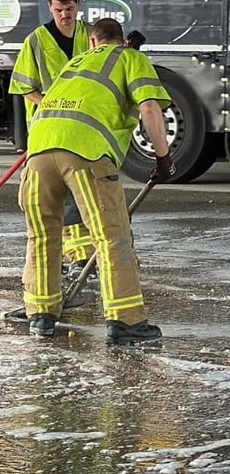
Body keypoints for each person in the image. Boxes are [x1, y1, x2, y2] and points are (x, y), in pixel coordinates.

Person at [18, 17, 175, 343]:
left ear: (91, 42)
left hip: (37, 152)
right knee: (111, 236)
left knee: (43, 237)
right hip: (85, 154)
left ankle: (41, 316)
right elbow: (149, 107)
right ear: (122, 42)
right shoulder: (131, 58)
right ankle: (126, 322)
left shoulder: (74, 64)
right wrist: (163, 158)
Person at [9, 0, 95, 283]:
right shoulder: (36, 41)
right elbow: (22, 86)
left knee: (80, 193)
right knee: (49, 195)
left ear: (78, 5)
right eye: (59, 9)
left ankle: (81, 258)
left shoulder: (90, 37)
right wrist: (50, 104)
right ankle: (55, 258)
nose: (64, 15)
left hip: (83, 131)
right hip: (47, 132)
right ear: (50, 7)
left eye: (69, 8)